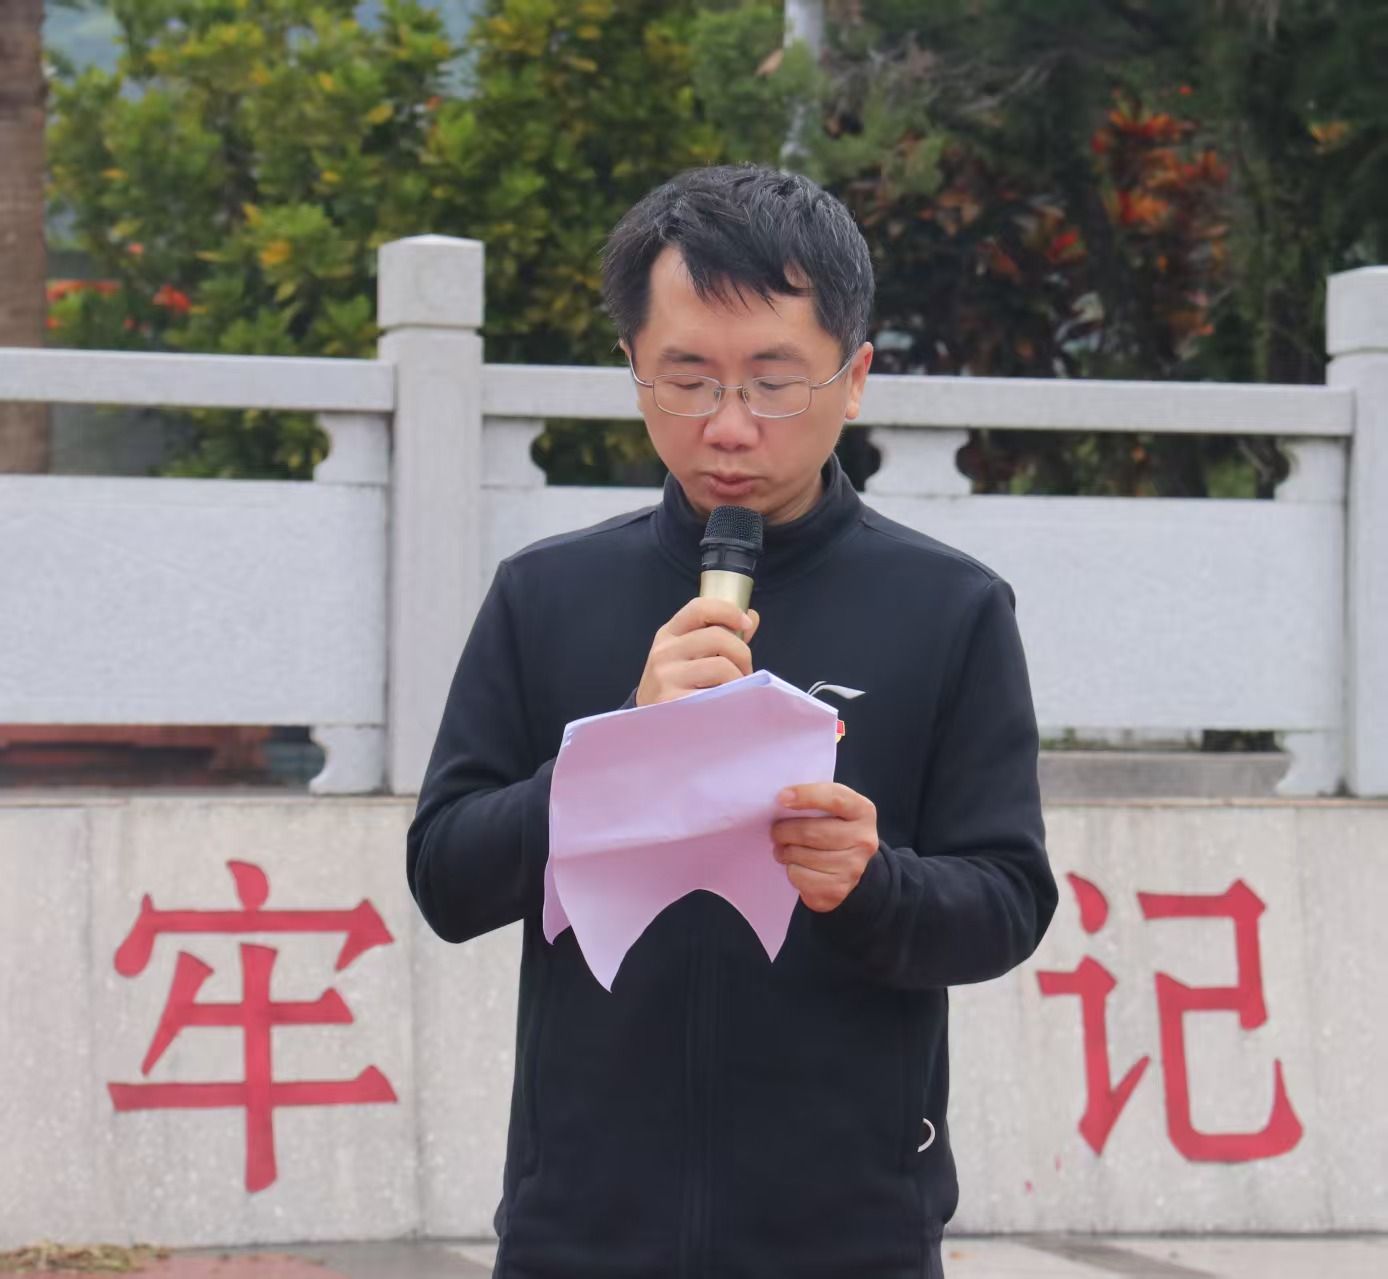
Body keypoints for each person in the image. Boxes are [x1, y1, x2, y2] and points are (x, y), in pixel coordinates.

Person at [406, 164, 1058, 1278]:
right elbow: (445, 880)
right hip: (581, 1231)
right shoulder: (544, 595)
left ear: (854, 378)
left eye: (774, 383)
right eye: (688, 381)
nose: (729, 427)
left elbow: (1006, 902)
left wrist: (873, 882)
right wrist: (616, 751)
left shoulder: (949, 609)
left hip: (847, 1237)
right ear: (633, 370)